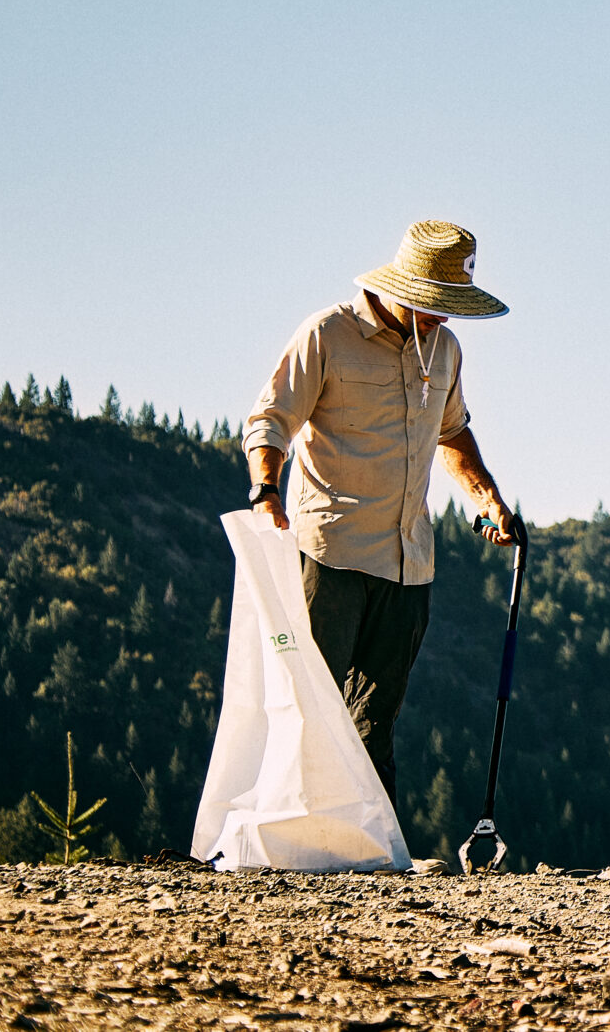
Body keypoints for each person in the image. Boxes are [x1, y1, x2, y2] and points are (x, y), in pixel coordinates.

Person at [242, 219, 525, 806]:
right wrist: (266, 489)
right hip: (330, 554)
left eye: (451, 306)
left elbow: (453, 433)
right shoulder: (327, 333)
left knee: (377, 719)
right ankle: (293, 838)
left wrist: (487, 499)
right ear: (401, 286)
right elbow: (270, 419)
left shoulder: (445, 350)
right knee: (309, 706)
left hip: (408, 564)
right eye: (433, 303)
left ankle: (372, 850)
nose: (442, 317)